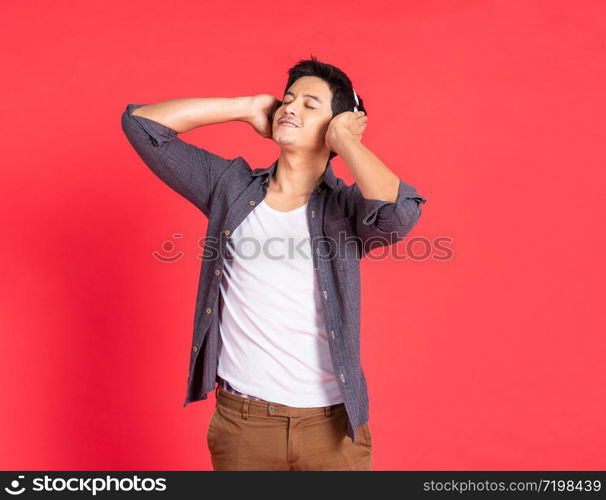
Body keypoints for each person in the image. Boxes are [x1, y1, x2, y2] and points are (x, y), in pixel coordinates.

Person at [120, 54, 427, 470]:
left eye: (310, 104)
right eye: (288, 99)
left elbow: (399, 214)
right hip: (244, 425)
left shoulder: (345, 209)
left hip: (332, 428)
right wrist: (244, 107)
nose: (290, 108)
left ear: (336, 126)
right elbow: (143, 126)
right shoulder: (230, 187)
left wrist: (348, 141)